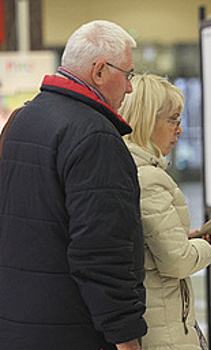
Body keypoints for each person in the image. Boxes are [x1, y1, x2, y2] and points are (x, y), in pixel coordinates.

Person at [0, 20, 147, 350]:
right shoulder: (94, 136)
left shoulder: (23, 119)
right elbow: (101, 253)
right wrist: (125, 339)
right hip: (72, 329)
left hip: (18, 323)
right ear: (99, 71)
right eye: (128, 75)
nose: (129, 89)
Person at [119, 74, 211, 350]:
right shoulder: (148, 179)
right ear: (146, 120)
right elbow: (175, 262)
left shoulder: (126, 167)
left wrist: (183, 239)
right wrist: (207, 248)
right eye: (173, 119)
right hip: (163, 327)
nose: (179, 130)